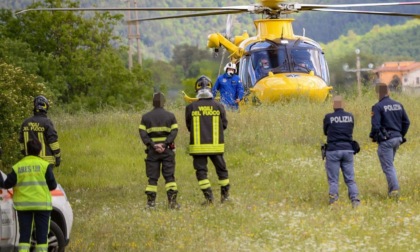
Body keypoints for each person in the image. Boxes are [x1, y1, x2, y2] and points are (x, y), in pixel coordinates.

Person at [0, 138, 57, 251]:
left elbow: (6, 184)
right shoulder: (45, 166)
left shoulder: (18, 167)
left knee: (24, 237)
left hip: (24, 206)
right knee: (42, 237)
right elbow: (53, 186)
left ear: (27, 150)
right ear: (40, 150)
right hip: (42, 206)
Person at [185, 75, 230, 205]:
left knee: (201, 173)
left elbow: (189, 127)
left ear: (196, 89)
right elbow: (224, 125)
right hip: (216, 147)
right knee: (222, 171)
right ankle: (225, 197)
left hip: (198, 148)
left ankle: (209, 199)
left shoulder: (190, 108)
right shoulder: (219, 106)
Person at [139, 92, 180, 209]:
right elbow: (174, 132)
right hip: (167, 151)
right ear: (164, 102)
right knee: (169, 177)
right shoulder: (171, 116)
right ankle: (172, 203)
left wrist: (153, 145)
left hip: (152, 152)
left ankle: (151, 203)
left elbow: (143, 133)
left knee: (152, 178)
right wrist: (165, 144)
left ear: (153, 102)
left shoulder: (145, 117)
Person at [369, 83, 410, 200]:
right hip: (397, 139)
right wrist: (400, 135)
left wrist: (374, 136)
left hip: (386, 141)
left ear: (378, 93)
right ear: (388, 92)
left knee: (388, 167)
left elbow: (376, 126)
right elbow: (407, 122)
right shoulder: (398, 105)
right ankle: (391, 190)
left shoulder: (377, 106)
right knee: (389, 165)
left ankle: (394, 192)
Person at [323, 95, 360, 208]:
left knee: (333, 180)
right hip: (348, 149)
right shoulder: (350, 116)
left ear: (333, 105)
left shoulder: (328, 117)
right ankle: (355, 201)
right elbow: (350, 129)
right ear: (343, 104)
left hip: (333, 150)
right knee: (350, 179)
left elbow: (325, 131)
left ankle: (334, 201)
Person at [19, 95, 61, 168]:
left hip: (28, 162)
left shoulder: (25, 123)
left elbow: (21, 142)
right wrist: (58, 157)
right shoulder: (47, 122)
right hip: (46, 162)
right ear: (46, 107)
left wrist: (25, 153)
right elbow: (53, 141)